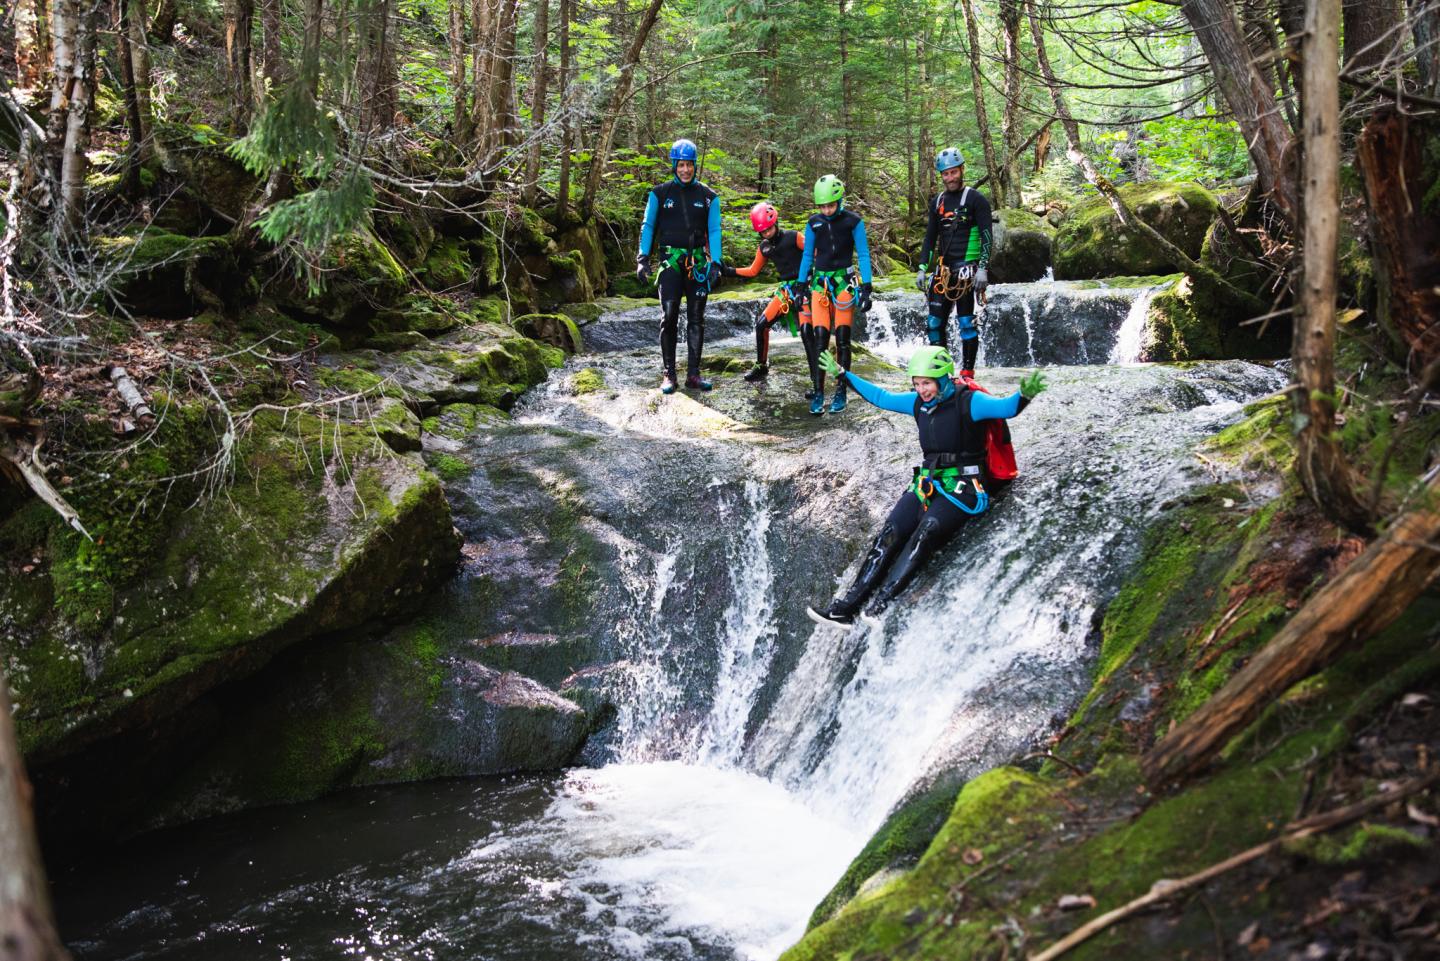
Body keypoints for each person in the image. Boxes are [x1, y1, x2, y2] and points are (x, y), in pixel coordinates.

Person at [806, 346, 1047, 628]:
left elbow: (1006, 407)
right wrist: (844, 375)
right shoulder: (918, 403)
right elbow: (882, 398)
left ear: (944, 379)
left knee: (927, 530)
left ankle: (881, 603)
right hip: (928, 483)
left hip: (964, 487)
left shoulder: (970, 401)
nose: (922, 390)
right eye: (917, 383)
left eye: (927, 383)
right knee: (891, 532)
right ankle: (845, 608)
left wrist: (1024, 395)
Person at [636, 138, 723, 394]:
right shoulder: (659, 194)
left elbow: (715, 230)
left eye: (689, 165)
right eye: (681, 165)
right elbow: (648, 226)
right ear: (674, 165)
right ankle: (669, 374)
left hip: (696, 264)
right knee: (669, 316)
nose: (685, 170)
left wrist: (716, 262)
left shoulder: (708, 197)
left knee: (697, 319)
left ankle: (694, 375)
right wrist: (642, 259)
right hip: (670, 263)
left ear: (695, 165)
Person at [794, 175, 873, 415]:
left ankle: (841, 390)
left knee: (842, 340)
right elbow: (808, 256)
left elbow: (864, 254)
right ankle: (818, 391)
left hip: (844, 284)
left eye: (831, 205)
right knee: (820, 339)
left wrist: (867, 287)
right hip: (820, 283)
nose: (827, 211)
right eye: (823, 206)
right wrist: (799, 285)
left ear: (840, 201)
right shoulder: (813, 223)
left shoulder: (853, 222)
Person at [914, 147, 993, 377]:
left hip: (968, 271)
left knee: (967, 324)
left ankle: (967, 373)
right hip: (943, 272)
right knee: (934, 323)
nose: (950, 178)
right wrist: (921, 268)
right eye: (945, 174)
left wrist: (983, 269)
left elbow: (987, 235)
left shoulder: (976, 200)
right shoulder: (937, 202)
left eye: (953, 172)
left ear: (961, 170)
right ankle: (943, 372)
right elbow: (930, 237)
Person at [719, 202, 810, 384]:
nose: (767, 233)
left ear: (775, 222)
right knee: (761, 324)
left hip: (805, 288)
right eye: (763, 232)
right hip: (787, 290)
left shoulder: (794, 237)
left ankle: (817, 378)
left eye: (769, 229)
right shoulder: (765, 247)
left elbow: (814, 254)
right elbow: (753, 271)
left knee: (808, 333)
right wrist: (729, 271)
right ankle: (761, 365)